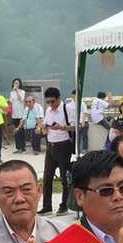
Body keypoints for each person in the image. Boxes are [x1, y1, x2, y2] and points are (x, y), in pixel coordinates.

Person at [38, 87, 74, 215]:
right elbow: (45, 128)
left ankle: (64, 204)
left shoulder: (67, 109)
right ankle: (47, 206)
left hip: (64, 146)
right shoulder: (48, 110)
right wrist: (43, 128)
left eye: (53, 102)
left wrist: (62, 127)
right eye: (48, 102)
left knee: (64, 177)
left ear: (59, 99)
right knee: (47, 177)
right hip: (51, 145)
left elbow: (76, 126)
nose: (51, 105)